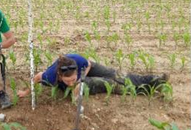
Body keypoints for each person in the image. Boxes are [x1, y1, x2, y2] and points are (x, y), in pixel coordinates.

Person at [17, 54, 168, 100]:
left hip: (87, 71)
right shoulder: (50, 76)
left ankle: (153, 80)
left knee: (117, 75)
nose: (70, 82)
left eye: (72, 79)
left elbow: (88, 64)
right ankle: (147, 90)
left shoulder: (78, 61)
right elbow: (37, 78)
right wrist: (25, 92)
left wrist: (81, 77)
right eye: (67, 80)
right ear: (60, 76)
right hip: (83, 80)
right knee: (109, 84)